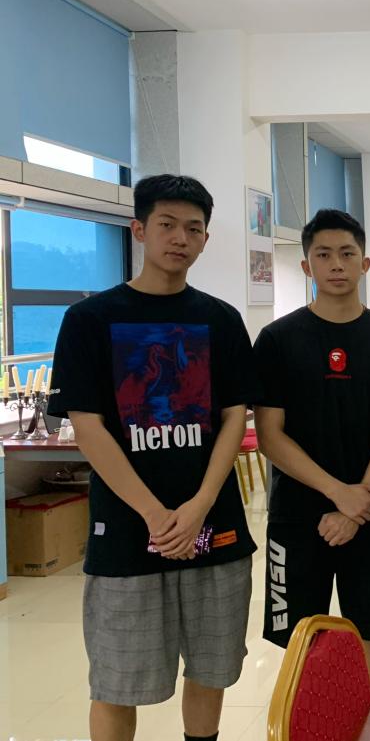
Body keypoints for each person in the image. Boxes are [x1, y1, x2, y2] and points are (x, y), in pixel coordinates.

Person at [48, 174, 257, 741]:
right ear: (139, 229)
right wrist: (155, 515)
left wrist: (199, 505)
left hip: (213, 528)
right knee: (118, 680)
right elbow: (88, 427)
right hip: (126, 531)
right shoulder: (90, 320)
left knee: (211, 668)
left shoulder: (221, 320)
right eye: (167, 224)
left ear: (206, 239)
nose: (180, 238)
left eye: (193, 228)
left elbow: (234, 417)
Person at [253, 209, 370, 689]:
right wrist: (338, 494)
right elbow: (270, 436)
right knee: (300, 636)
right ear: (306, 265)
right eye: (323, 254)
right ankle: (308, 721)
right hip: (297, 515)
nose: (336, 264)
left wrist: (357, 502)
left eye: (347, 254)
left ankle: (366, 720)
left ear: (364, 264)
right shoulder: (277, 340)